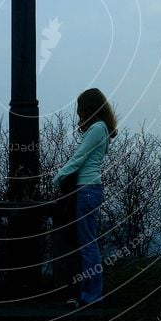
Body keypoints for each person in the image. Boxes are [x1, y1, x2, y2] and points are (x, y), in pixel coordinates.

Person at [52, 88, 117, 307]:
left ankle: (92, 296)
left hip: (87, 189)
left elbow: (79, 158)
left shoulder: (97, 128)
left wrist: (58, 178)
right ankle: (88, 293)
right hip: (90, 189)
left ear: (88, 106)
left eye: (81, 107)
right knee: (87, 242)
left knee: (88, 244)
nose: (78, 112)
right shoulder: (101, 129)